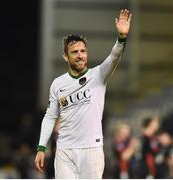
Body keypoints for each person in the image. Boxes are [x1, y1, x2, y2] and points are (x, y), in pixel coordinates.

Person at [34, 9, 132, 178]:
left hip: (92, 150)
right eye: (75, 52)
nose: (80, 56)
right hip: (64, 150)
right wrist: (41, 147)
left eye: (83, 51)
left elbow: (114, 57)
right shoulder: (58, 84)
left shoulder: (98, 75)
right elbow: (50, 117)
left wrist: (121, 38)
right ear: (65, 56)